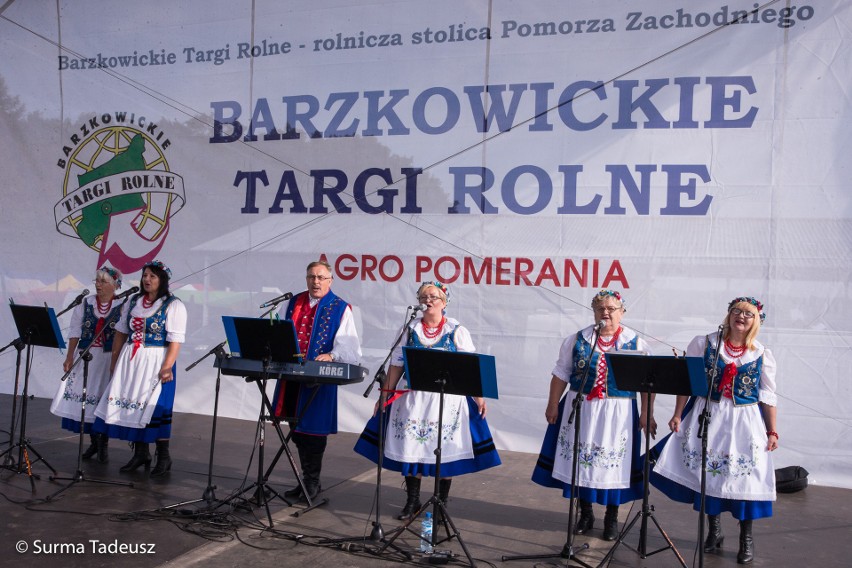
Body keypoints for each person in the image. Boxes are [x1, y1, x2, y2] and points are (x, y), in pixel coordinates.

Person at [354, 281, 501, 521]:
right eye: (424, 296)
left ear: (444, 302)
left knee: (445, 451)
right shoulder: (409, 329)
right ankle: (412, 501)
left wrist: (479, 397)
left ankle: (441, 503)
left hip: (447, 401)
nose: (428, 300)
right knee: (413, 447)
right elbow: (397, 365)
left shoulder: (455, 330)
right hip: (413, 400)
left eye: (433, 296)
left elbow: (469, 367)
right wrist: (385, 394)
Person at [651, 297, 778, 565]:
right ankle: (714, 531)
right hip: (708, 416)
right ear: (728, 315)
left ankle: (746, 538)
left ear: (757, 321)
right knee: (709, 474)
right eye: (736, 311)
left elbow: (768, 396)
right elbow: (688, 383)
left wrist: (772, 431)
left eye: (748, 314)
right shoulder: (705, 343)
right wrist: (676, 414)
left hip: (744, 421)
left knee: (745, 479)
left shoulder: (761, 353)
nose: (741, 316)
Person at [532, 289, 655, 541]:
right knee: (582, 459)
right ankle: (585, 513)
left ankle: (612, 517)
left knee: (614, 464)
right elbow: (561, 373)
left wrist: (646, 413)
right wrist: (552, 404)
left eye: (611, 308)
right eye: (600, 308)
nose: (606, 312)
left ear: (622, 312)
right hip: (582, 407)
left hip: (618, 412)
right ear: (594, 312)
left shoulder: (636, 343)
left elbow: (646, 383)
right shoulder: (577, 339)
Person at [271, 260, 362, 501]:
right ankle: (305, 480)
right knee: (296, 429)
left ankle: (312, 482)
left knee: (313, 431)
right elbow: (279, 332)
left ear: (330, 280)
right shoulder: (292, 302)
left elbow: (349, 345)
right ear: (306, 279)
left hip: (319, 377)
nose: (316, 281)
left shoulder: (340, 307)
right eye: (312, 276)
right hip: (290, 374)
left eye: (321, 277)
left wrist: (332, 355)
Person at [92, 260, 187, 477]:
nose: (147, 279)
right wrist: (115, 361)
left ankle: (163, 456)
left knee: (157, 407)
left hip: (157, 359)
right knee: (135, 405)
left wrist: (167, 367)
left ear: (162, 280)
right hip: (132, 359)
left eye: (152, 276)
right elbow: (120, 332)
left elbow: (175, 340)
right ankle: (141, 453)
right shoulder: (133, 301)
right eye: (145, 275)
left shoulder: (173, 305)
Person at [50, 266, 123, 463]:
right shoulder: (86, 303)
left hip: (109, 358)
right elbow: (75, 331)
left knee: (102, 399)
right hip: (87, 356)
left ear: (115, 286)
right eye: (97, 281)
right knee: (86, 398)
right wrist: (69, 357)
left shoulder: (124, 304)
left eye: (103, 282)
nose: (98, 285)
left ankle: (103, 444)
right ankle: (94, 442)